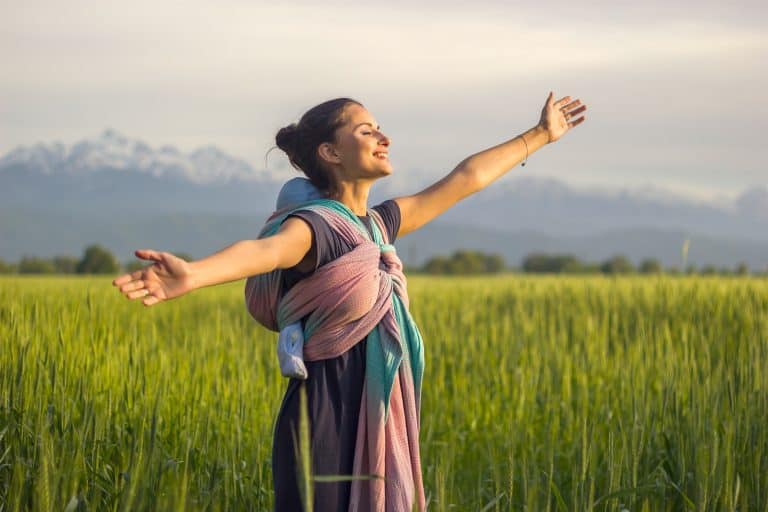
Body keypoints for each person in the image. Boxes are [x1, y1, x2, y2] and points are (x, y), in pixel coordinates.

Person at [113, 93, 586, 511]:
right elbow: (264, 253)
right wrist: (193, 274)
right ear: (331, 152)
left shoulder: (378, 228)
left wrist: (542, 134)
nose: (383, 137)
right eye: (366, 130)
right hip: (324, 421)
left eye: (380, 128)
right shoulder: (316, 227)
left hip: (374, 415)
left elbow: (465, 178)